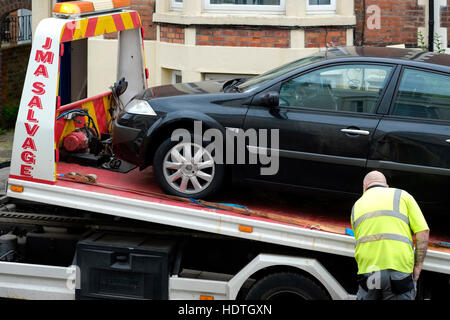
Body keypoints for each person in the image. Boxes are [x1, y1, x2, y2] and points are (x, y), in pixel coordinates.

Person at [351, 171, 430, 300]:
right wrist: (417, 267)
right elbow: (423, 231)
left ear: (364, 187)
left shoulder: (356, 206)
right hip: (398, 272)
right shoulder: (402, 196)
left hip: (370, 273)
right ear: (386, 185)